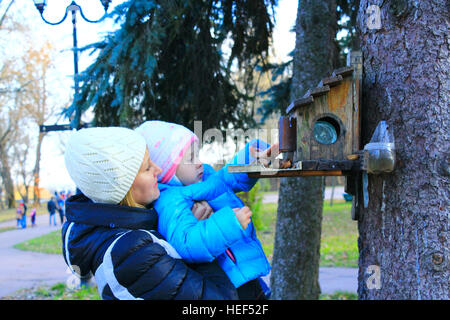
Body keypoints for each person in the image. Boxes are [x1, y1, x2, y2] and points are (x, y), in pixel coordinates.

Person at [62, 126, 238, 300]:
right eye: (147, 168)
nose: (158, 170)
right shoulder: (133, 252)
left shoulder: (130, 232)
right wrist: (194, 243)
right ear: (125, 185)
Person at [136, 120, 278, 300]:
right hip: (226, 286)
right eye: (190, 158)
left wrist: (253, 160)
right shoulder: (171, 201)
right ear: (167, 170)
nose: (199, 163)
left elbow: (227, 178)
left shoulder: (203, 178)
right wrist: (229, 224)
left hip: (245, 276)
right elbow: (186, 243)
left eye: (198, 155)